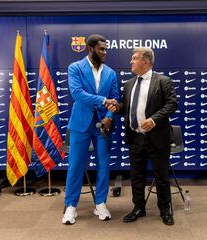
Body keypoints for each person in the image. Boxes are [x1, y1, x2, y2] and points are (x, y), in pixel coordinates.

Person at [107, 47, 178, 225]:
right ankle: (139, 207)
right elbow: (126, 107)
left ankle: (165, 210)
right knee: (136, 175)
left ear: (145, 61)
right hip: (135, 137)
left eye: (134, 58)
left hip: (158, 138)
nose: (130, 61)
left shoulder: (163, 81)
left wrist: (153, 120)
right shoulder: (129, 83)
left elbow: (172, 104)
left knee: (161, 176)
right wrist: (118, 107)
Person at [62, 34, 119, 225]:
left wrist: (109, 117)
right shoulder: (75, 68)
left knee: (104, 165)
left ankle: (101, 203)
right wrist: (103, 101)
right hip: (80, 124)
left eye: (106, 49)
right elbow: (77, 94)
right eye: (101, 49)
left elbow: (115, 99)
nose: (105, 52)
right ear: (90, 49)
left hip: (103, 126)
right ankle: (71, 206)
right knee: (76, 165)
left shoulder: (111, 73)